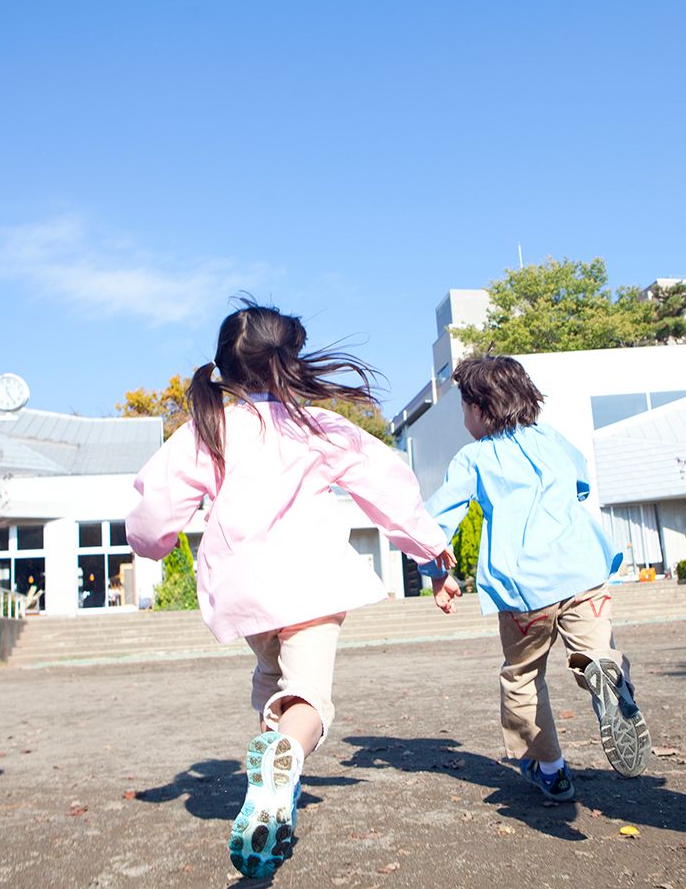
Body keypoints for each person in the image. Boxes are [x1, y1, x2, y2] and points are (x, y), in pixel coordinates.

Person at [125, 303, 453, 879]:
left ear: (225, 368)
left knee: (271, 686)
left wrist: (150, 546)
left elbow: (155, 511)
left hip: (249, 598)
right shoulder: (316, 427)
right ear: (288, 365)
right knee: (308, 700)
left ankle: (274, 792)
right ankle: (286, 760)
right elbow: (389, 487)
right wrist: (430, 553)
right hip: (311, 585)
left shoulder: (205, 429)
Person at [421, 355, 650, 802]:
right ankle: (603, 669)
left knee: (523, 675)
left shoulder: (474, 457)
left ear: (481, 409)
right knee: (594, 646)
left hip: (525, 587)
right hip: (584, 571)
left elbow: (435, 521)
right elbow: (579, 483)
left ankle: (551, 768)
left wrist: (436, 572)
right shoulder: (551, 439)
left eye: (465, 408)